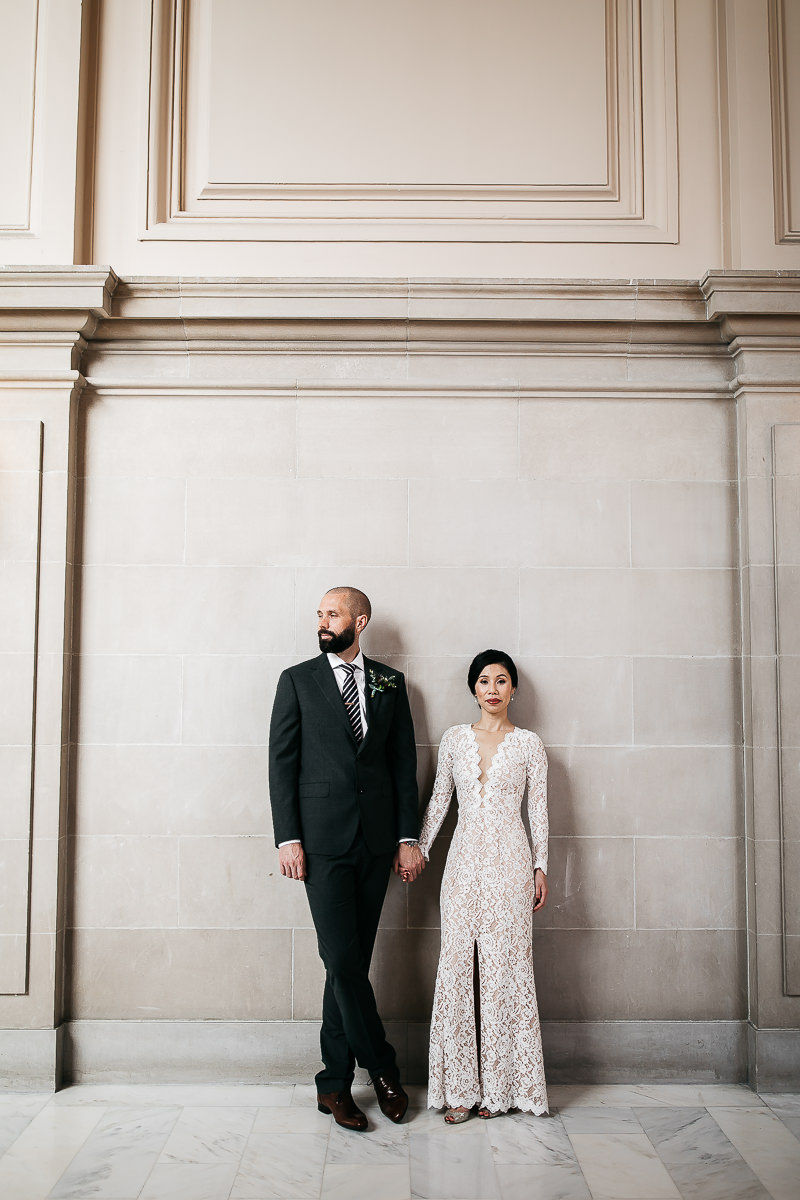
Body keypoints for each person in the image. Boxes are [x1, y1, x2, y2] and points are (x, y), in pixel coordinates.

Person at [269, 587, 425, 1132]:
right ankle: (382, 1068)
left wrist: (409, 838)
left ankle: (333, 1085)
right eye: (318, 613)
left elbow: (403, 764)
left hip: (377, 842)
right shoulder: (297, 680)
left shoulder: (389, 682)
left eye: (331, 613)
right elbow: (281, 764)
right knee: (342, 958)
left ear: (359, 621)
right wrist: (288, 839)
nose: (322, 621)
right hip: (319, 844)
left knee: (346, 965)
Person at [416, 649, 549, 1122]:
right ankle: (459, 1091)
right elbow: (438, 802)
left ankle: (503, 1089)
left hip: (512, 864)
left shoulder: (530, 744)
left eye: (502, 681)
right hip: (463, 864)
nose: (492, 689)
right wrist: (419, 849)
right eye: (484, 681)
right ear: (473, 688)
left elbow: (538, 811)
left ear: (513, 689)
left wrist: (541, 866)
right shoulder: (453, 740)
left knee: (506, 971)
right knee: (455, 970)